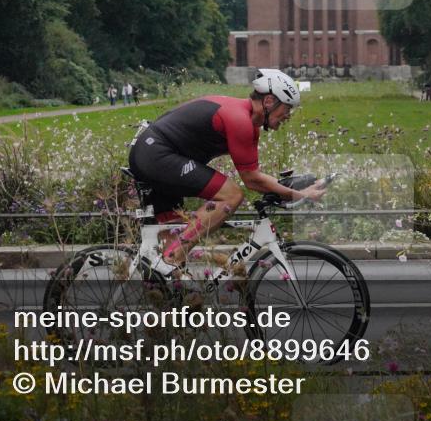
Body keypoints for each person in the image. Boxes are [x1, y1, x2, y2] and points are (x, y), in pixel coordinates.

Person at [127, 69, 327, 274]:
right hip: (155, 154)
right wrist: (300, 194)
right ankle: (169, 261)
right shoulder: (240, 120)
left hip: (155, 153)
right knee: (231, 196)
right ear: (269, 101)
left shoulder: (248, 122)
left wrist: (292, 186)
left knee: (172, 254)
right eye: (287, 108)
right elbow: (252, 181)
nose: (288, 115)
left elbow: (255, 175)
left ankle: (168, 293)